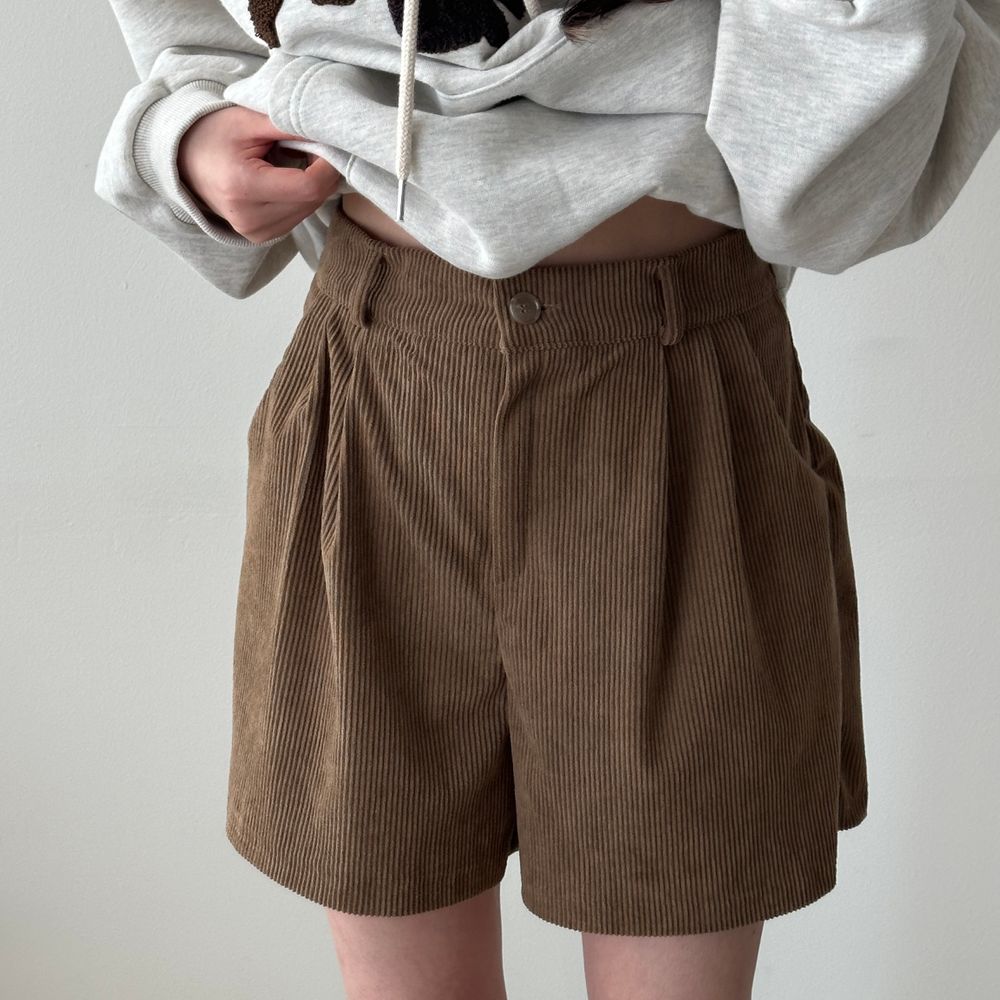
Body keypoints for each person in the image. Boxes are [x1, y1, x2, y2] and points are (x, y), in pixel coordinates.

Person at [95, 2, 1000, 997]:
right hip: (380, 392)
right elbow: (194, 41)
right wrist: (181, 134)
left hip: (676, 396)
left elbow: (833, 198)